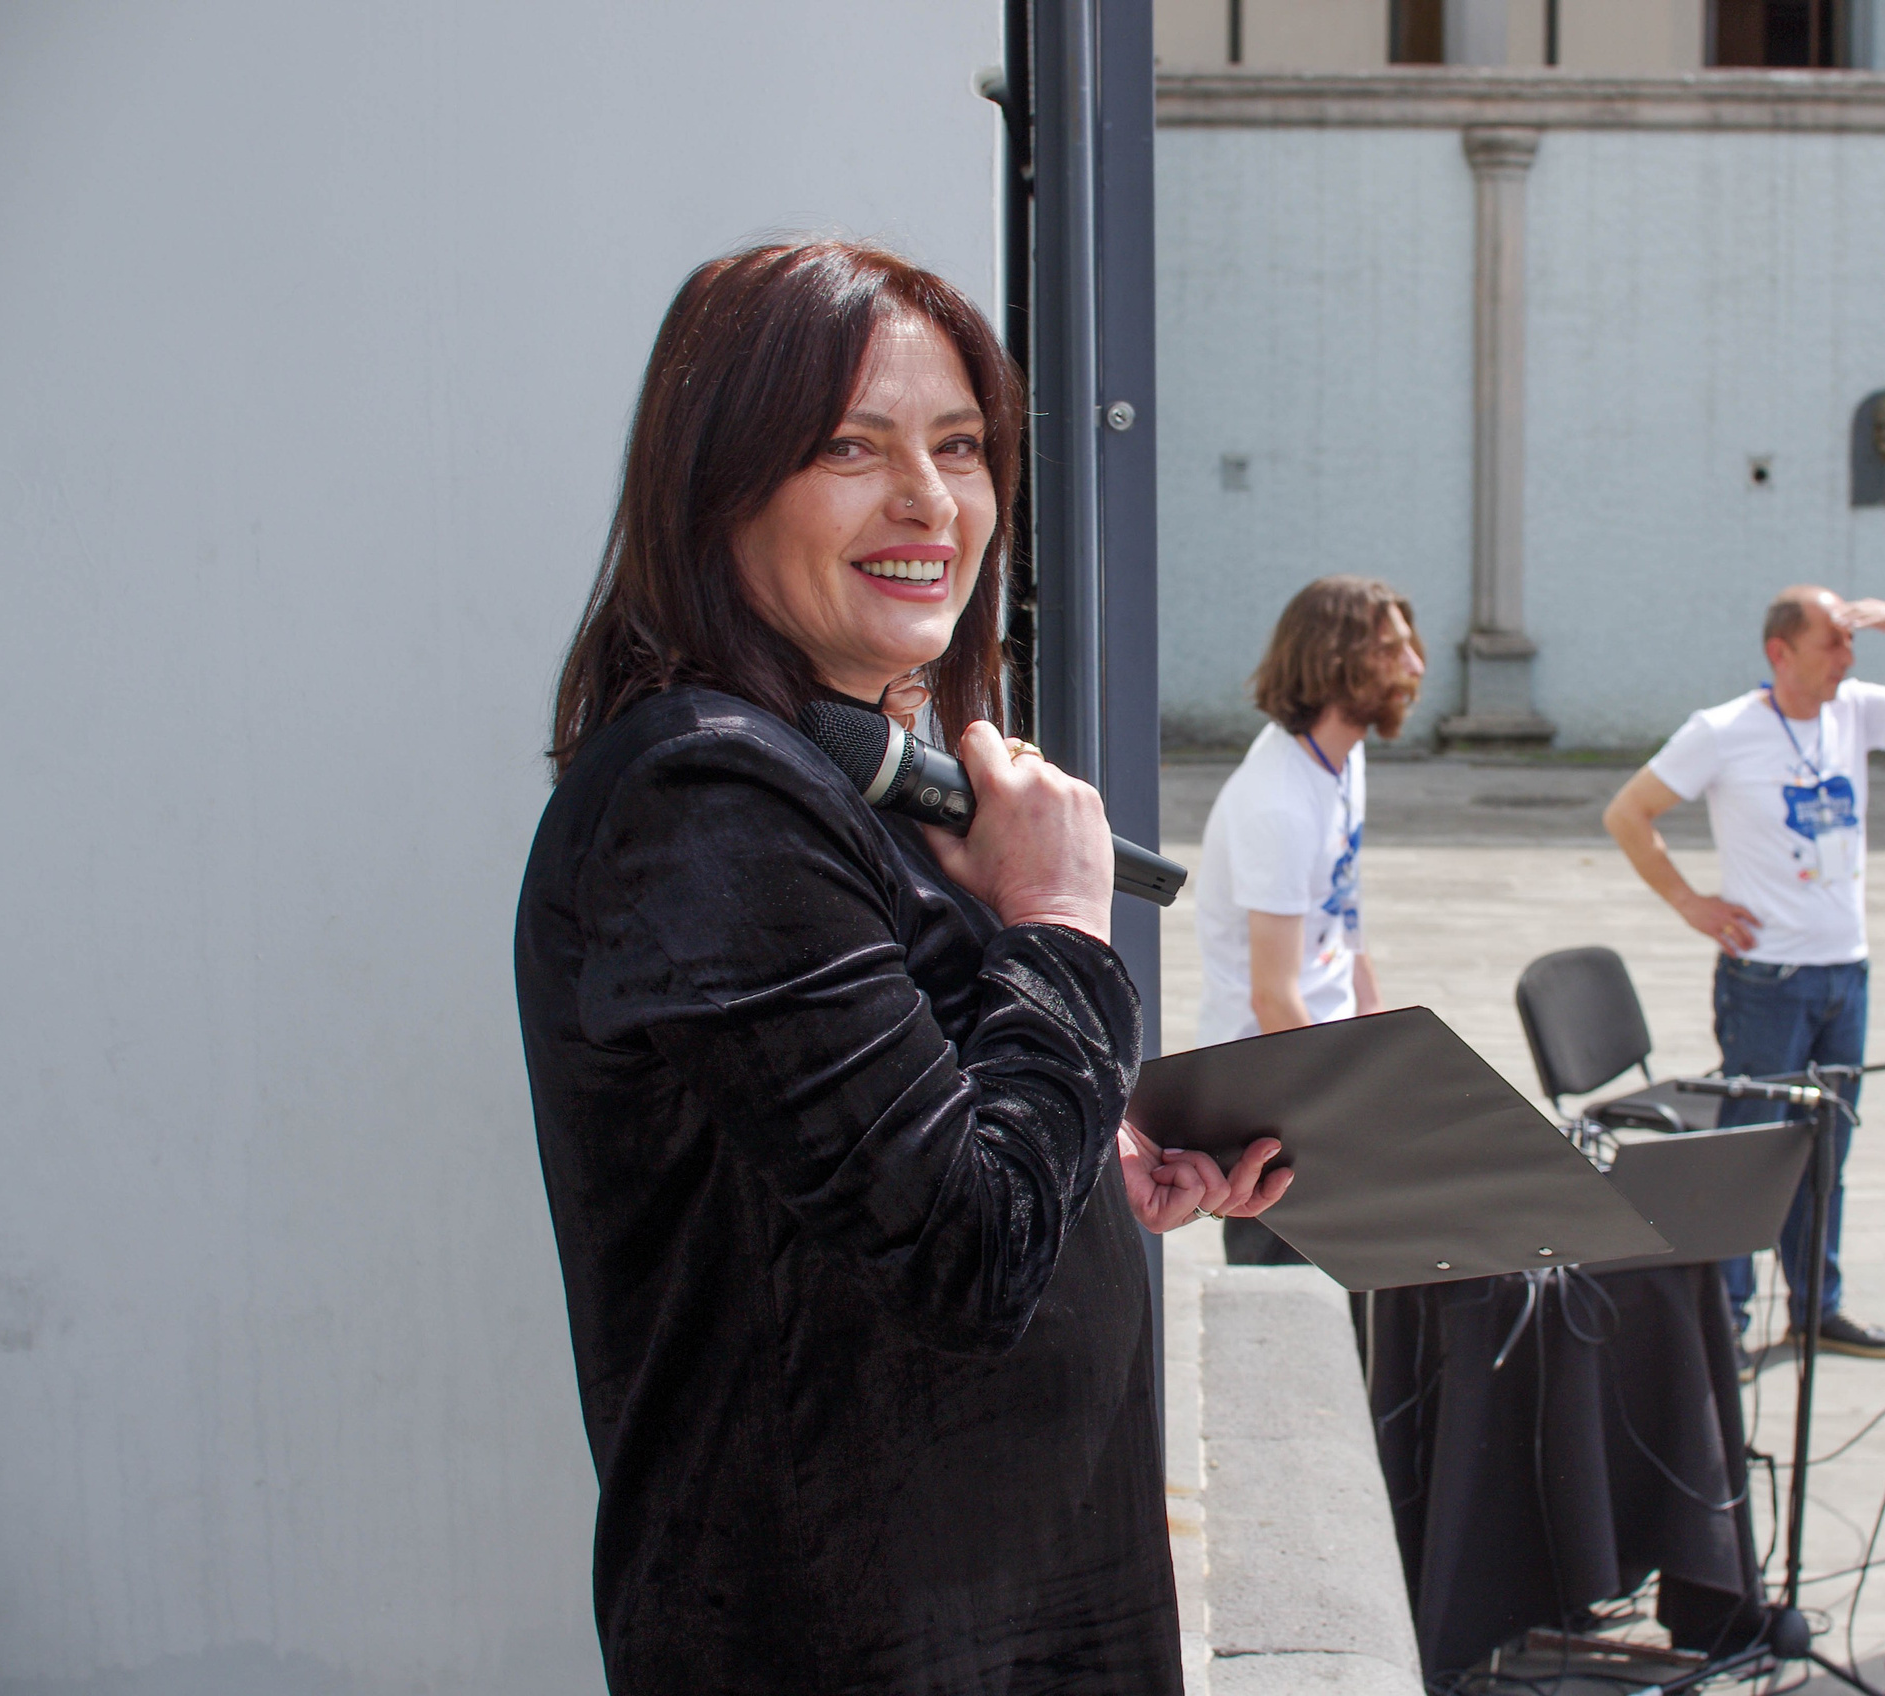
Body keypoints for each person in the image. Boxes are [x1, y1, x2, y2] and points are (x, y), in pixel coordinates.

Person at [515, 240, 1286, 1695]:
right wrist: (1061, 923)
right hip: (846, 1637)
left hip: (1018, 1606)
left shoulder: (850, 771)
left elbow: (895, 1175)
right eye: (848, 449)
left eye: (961, 447)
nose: (931, 503)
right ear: (716, 485)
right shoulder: (703, 798)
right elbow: (961, 1253)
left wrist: (1086, 1157)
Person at [1601, 586, 1885, 1362]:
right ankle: (1725, 1320)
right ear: (1780, 652)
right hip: (1766, 979)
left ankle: (1817, 1307)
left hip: (1845, 971)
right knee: (1752, 1149)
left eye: (1850, 645)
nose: (1846, 660)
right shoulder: (1725, 731)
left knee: (1826, 1149)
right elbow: (1627, 813)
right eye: (1832, 644)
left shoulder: (1855, 712)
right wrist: (1688, 902)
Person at [1188, 577, 1424, 1264]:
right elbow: (1273, 997)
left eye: (1410, 645)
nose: (1415, 666)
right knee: (1287, 1302)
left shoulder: (1342, 760)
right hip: (1272, 1099)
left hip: (1321, 1064)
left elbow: (1344, 908)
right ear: (1332, 662)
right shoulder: (1278, 805)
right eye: (1391, 650)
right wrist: (1350, 1112)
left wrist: (1378, 1028)